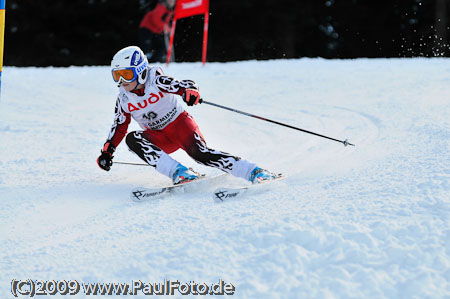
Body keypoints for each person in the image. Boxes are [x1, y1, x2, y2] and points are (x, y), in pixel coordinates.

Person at [97, 45, 277, 185]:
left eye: (126, 75)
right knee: (132, 139)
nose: (122, 81)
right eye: (117, 76)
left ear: (141, 70)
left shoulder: (156, 81)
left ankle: (254, 171)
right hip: (159, 137)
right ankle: (179, 172)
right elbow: (119, 126)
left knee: (200, 154)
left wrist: (189, 91)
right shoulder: (123, 98)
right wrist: (108, 151)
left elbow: (182, 84)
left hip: (180, 126)